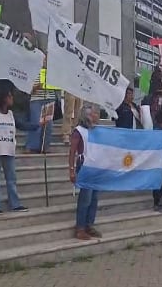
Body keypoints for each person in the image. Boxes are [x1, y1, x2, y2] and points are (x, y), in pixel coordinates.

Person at [68, 103, 102, 240]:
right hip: (84, 165)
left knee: (94, 198)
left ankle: (89, 224)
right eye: (94, 113)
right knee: (85, 198)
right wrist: (71, 170)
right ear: (87, 115)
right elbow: (72, 152)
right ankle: (80, 228)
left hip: (95, 165)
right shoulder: (79, 131)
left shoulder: (95, 130)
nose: (96, 115)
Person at [25, 65, 56, 153]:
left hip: (50, 98)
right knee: (35, 122)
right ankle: (31, 146)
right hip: (36, 99)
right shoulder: (33, 71)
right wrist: (37, 86)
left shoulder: (53, 71)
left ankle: (45, 146)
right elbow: (28, 88)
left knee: (48, 124)